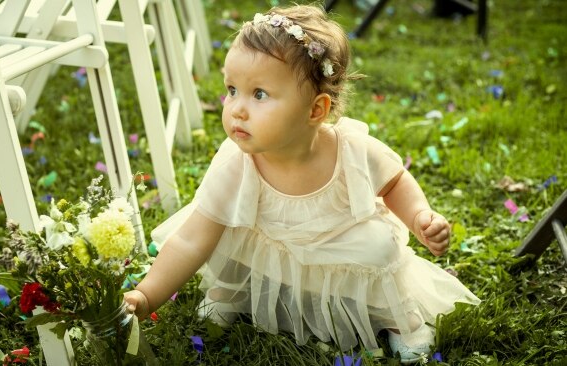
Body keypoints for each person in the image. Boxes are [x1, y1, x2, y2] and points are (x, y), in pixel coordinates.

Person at [124, 4, 479, 363]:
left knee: (380, 250)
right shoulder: (237, 161)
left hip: (337, 243)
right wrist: (147, 295)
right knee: (225, 231)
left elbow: (394, 182)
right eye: (232, 90)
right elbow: (190, 239)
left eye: (258, 94)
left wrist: (419, 216)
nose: (237, 109)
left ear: (316, 110)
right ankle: (234, 291)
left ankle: (397, 320)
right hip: (268, 242)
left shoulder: (353, 150)